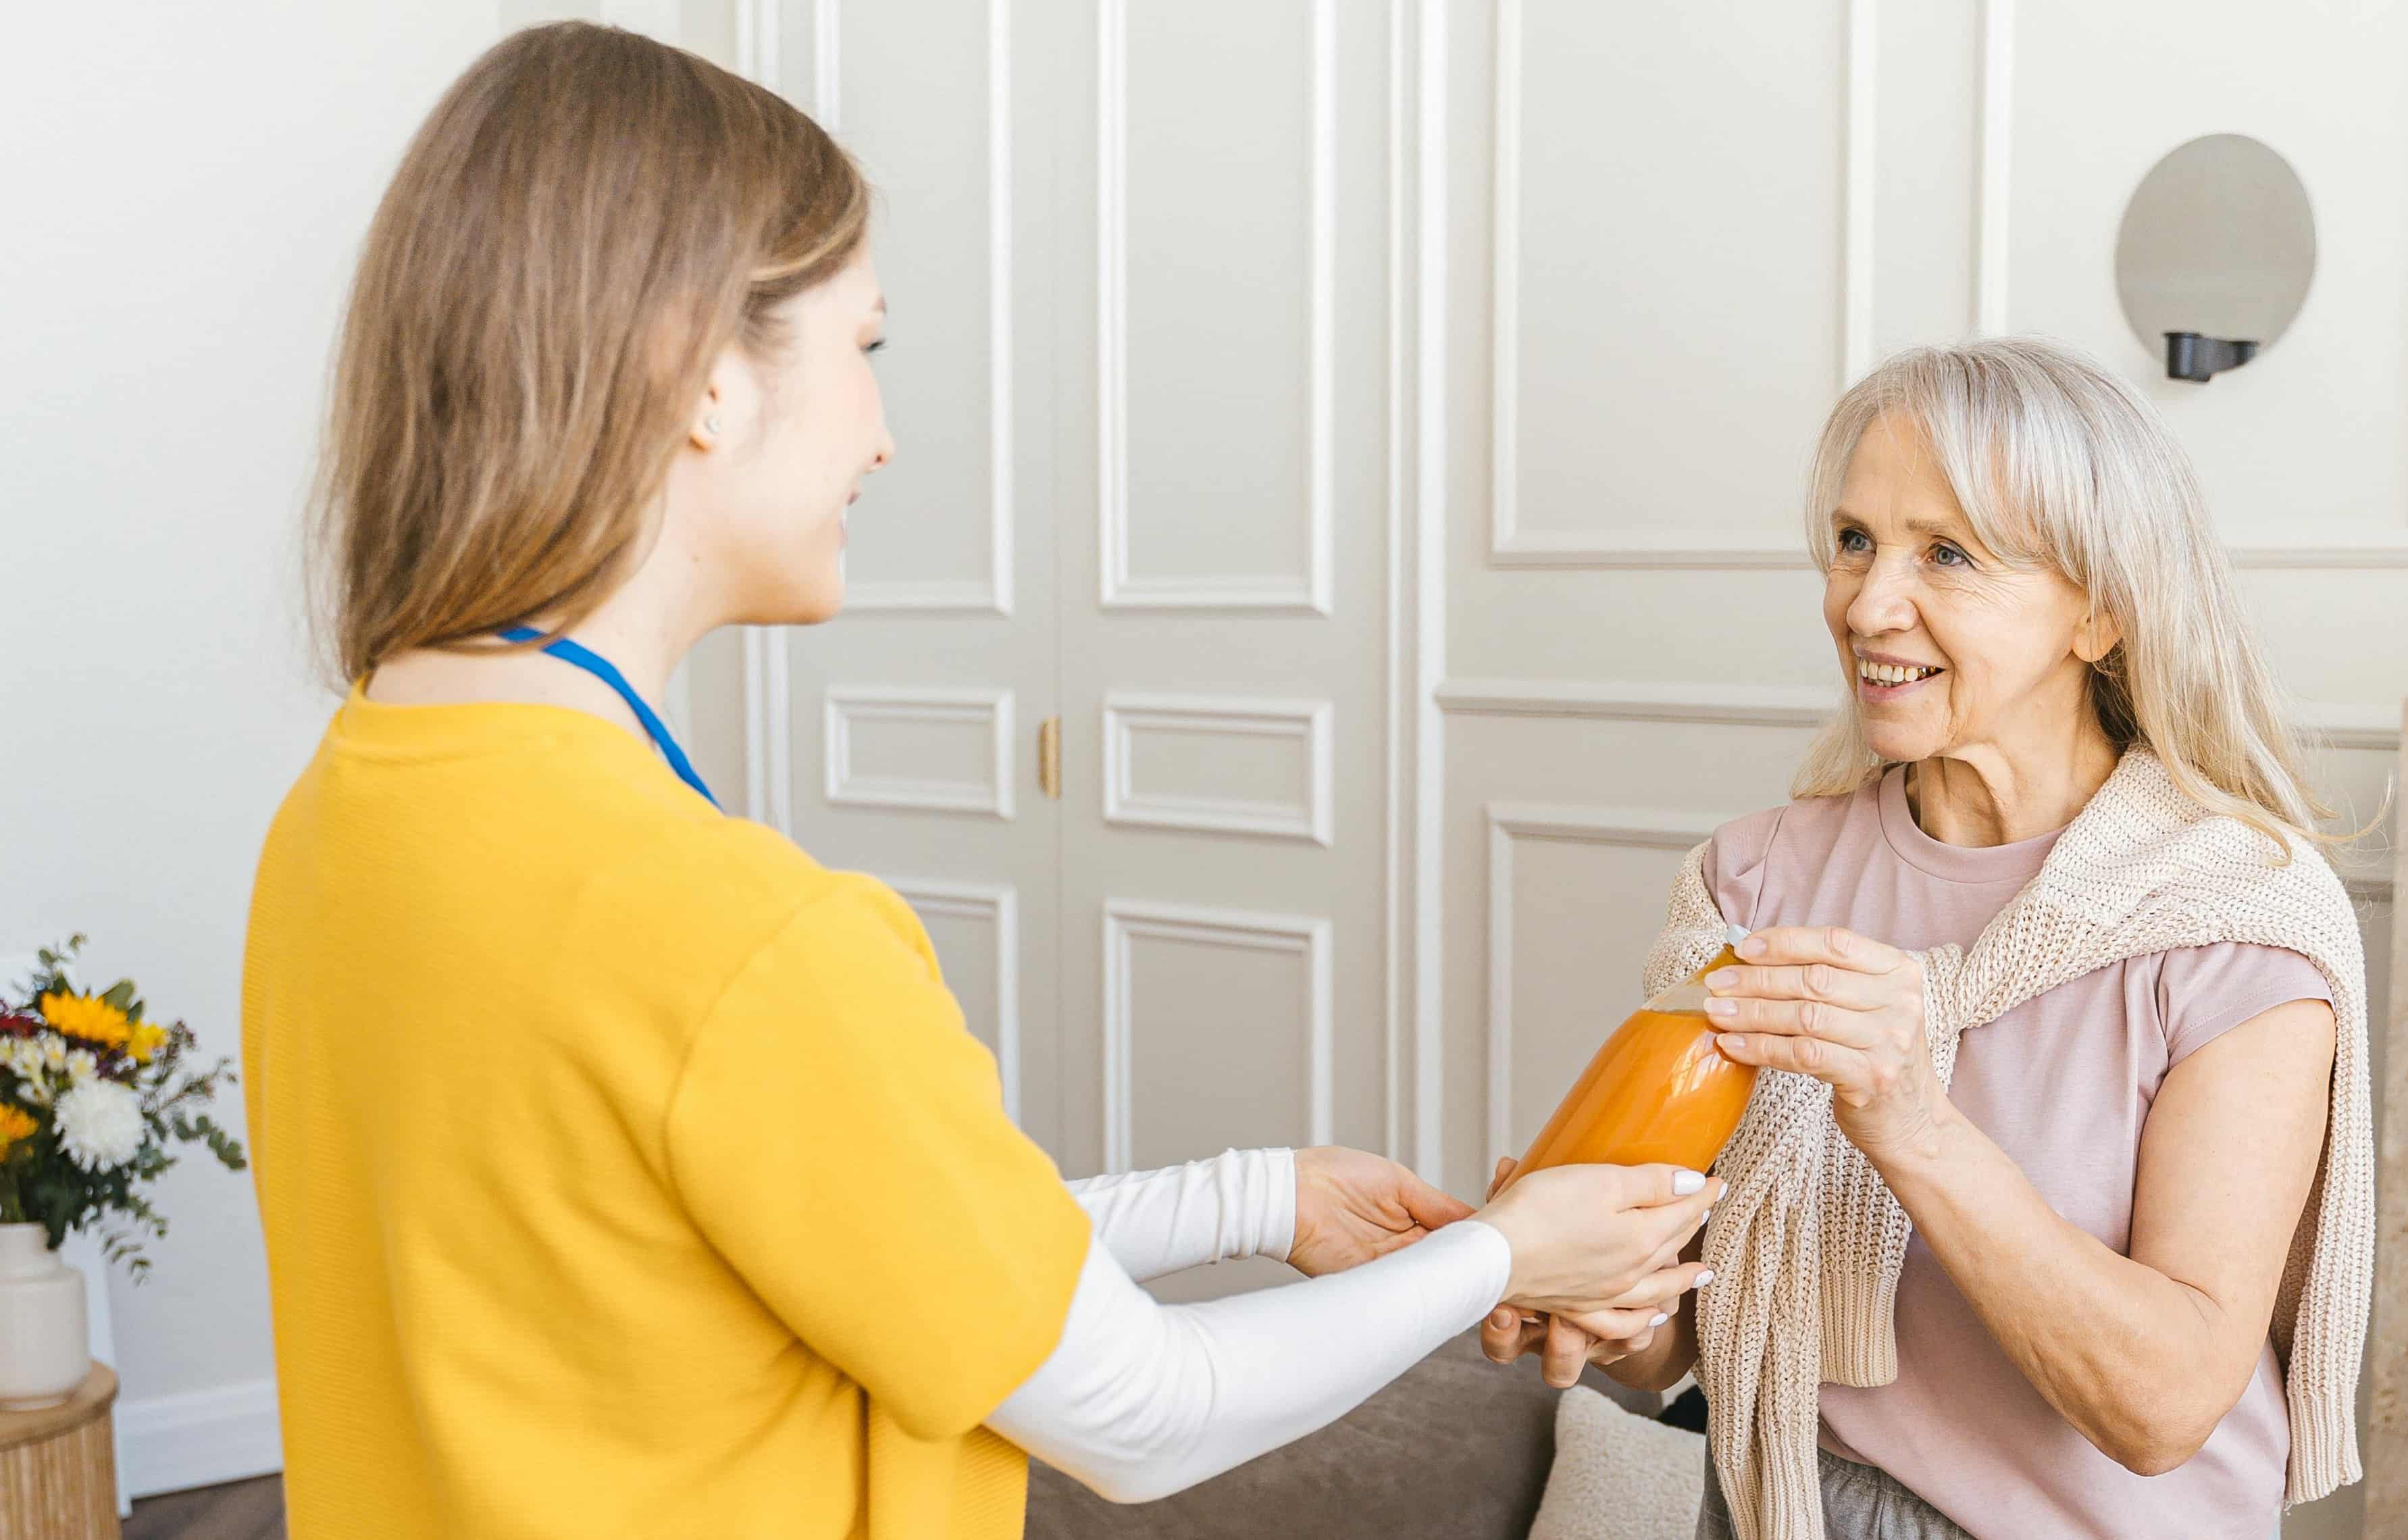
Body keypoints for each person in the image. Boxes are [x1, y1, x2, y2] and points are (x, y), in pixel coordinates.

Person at [240, 24, 1722, 1540]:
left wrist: (1252, 1198)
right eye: (863, 347)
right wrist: (1500, 1256)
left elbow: (822, 1237)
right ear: (689, 372)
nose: (881, 437)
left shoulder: (348, 810)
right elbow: (1142, 1411)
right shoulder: (733, 936)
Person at [1483, 338, 2374, 1540]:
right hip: (1778, 1506)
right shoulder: (1754, 882)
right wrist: (1596, 1303)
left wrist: (1910, 1123)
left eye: (1946, 554)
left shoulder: (2235, 923)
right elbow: (1685, 1344)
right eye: (1855, 541)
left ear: (2103, 614)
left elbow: (2165, 1408)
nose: (1864, 603)